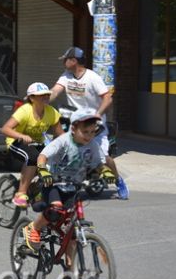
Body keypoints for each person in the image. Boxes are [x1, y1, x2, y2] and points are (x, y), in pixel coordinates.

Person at [21, 108, 116, 252]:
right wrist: (43, 170)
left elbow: (98, 164)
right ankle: (33, 227)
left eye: (92, 132)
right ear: (73, 128)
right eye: (85, 132)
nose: (89, 136)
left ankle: (71, 271)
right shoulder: (63, 141)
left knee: (72, 231)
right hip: (53, 183)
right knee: (56, 208)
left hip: (73, 186)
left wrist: (106, 172)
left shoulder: (93, 145)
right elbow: (42, 156)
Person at [50, 46, 129, 199]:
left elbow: (108, 98)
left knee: (103, 157)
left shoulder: (92, 77)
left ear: (74, 61)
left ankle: (118, 180)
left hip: (95, 125)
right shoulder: (66, 76)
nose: (64, 62)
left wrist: (98, 115)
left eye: (66, 59)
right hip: (75, 124)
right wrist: (41, 100)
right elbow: (55, 91)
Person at [1, 82, 63, 207]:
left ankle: (34, 186)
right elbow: (5, 129)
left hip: (37, 143)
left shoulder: (51, 112)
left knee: (52, 160)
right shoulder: (25, 110)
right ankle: (21, 193)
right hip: (16, 142)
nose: (45, 97)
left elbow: (60, 134)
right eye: (41, 95)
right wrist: (22, 136)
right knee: (34, 157)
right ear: (31, 98)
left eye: (47, 94)